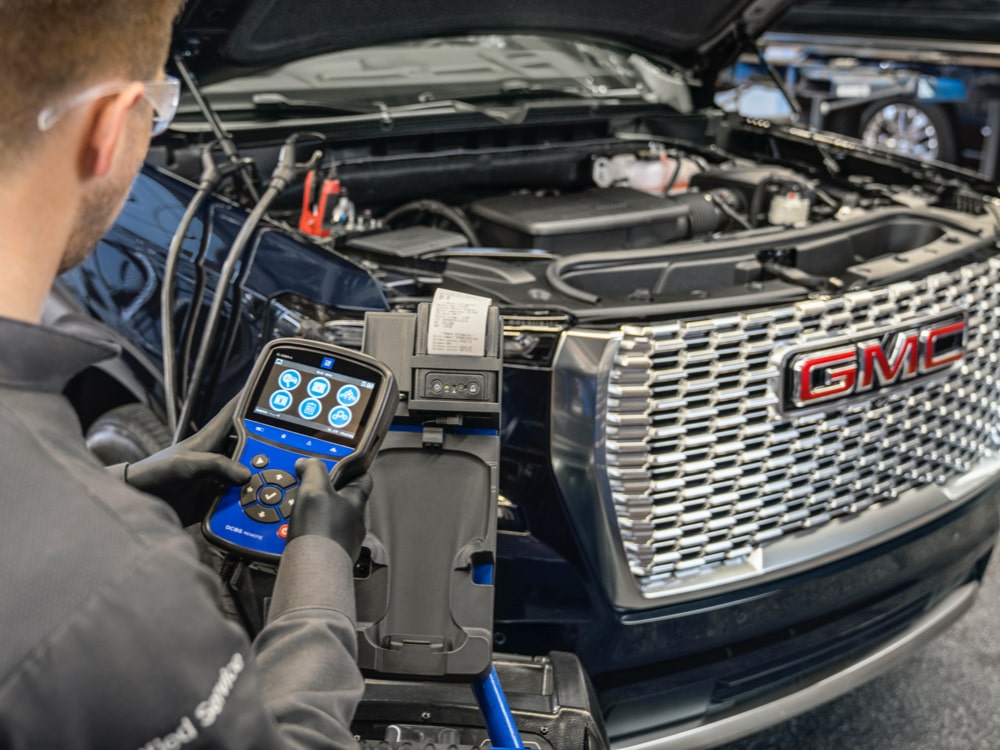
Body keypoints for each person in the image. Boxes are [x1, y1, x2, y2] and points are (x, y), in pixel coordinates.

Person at [0, 2, 370, 747]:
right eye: (161, 109)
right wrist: (319, 588)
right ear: (110, 125)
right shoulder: (111, 584)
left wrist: (122, 487)